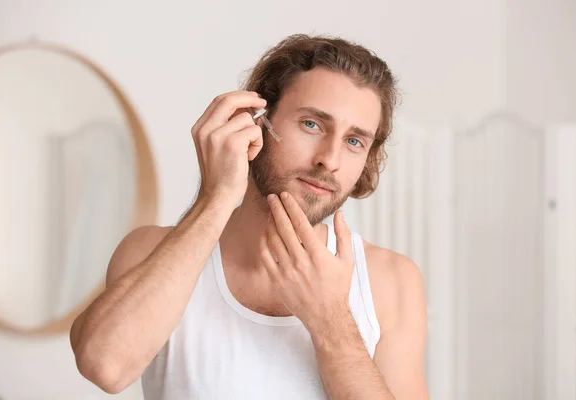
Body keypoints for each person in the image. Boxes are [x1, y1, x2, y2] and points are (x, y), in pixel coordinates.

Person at [70, 34, 429, 399]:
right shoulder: (149, 251)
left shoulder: (389, 280)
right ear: (256, 123)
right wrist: (217, 197)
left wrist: (330, 320)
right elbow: (105, 367)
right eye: (312, 124)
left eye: (354, 141)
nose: (330, 159)